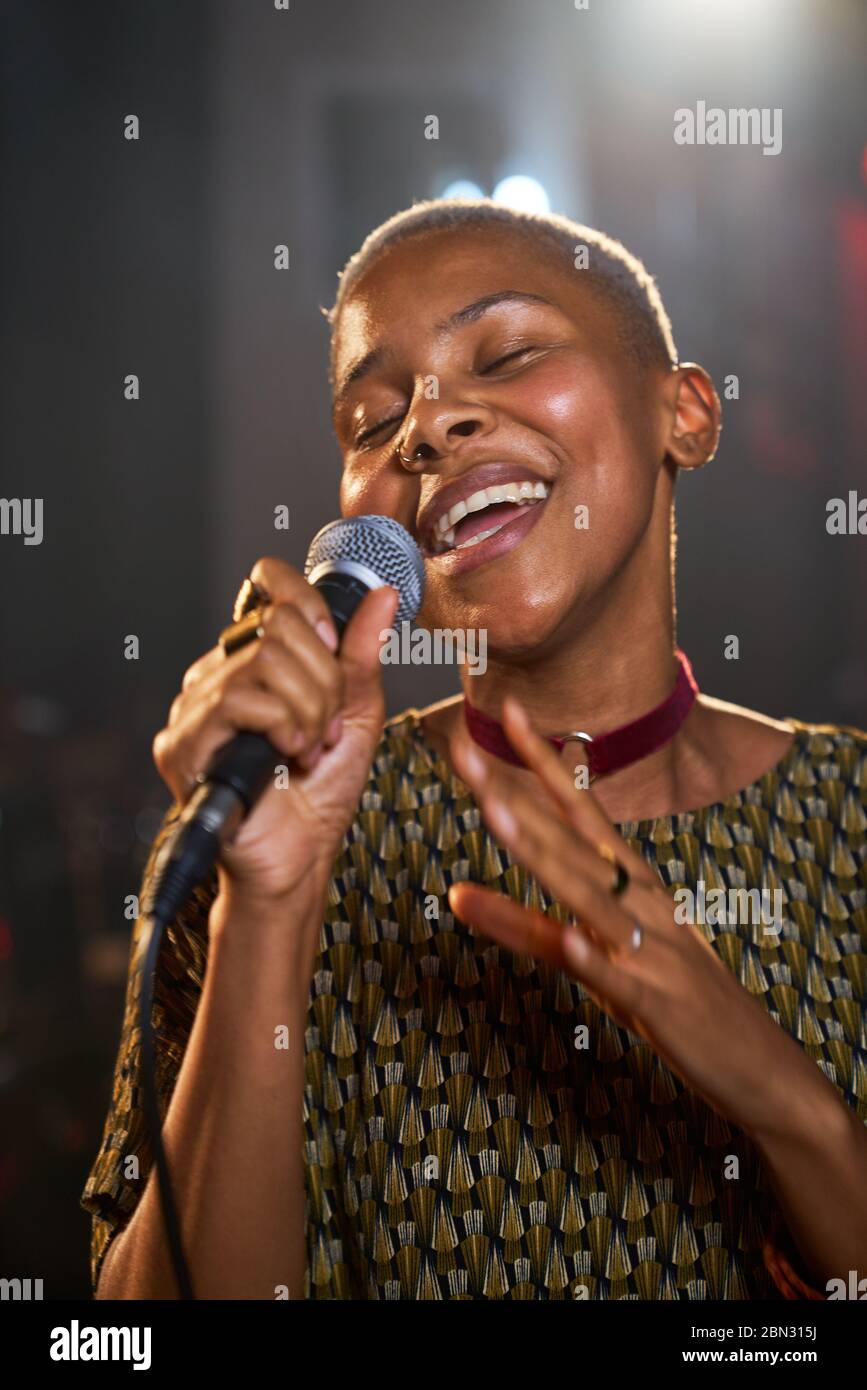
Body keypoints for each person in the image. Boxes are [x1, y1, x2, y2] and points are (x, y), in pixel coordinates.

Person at [81, 199, 867, 1300]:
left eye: (508, 352)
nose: (426, 429)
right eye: (371, 419)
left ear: (683, 413)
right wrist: (269, 904)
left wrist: (791, 1105)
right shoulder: (252, 818)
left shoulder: (855, 818)